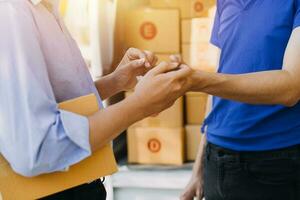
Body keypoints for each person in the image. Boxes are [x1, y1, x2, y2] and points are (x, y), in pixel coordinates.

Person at [0, 0, 191, 199]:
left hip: (80, 185)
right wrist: (139, 105)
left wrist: (115, 82)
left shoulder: (46, 8)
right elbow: (37, 149)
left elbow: (54, 102)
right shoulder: (11, 12)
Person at [180, 0, 300, 200]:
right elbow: (219, 80)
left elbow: (292, 88)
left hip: (274, 164)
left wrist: (197, 80)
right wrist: (198, 168)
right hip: (216, 159)